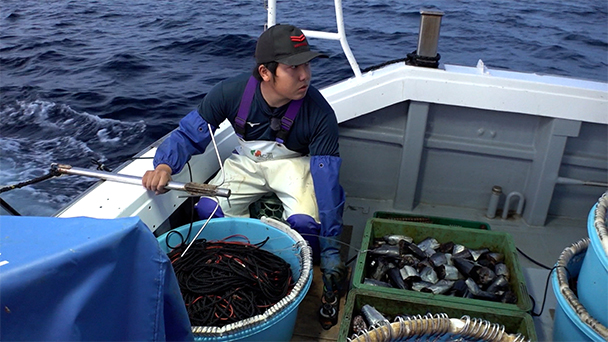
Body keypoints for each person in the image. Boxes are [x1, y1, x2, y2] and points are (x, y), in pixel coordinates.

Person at [142, 24, 346, 297]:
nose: (304, 76)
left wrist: (331, 247)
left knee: (308, 227)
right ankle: (245, 260)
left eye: (307, 65)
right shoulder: (229, 93)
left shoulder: (319, 112)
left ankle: (297, 263)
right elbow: (190, 134)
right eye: (293, 67)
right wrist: (165, 165)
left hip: (294, 166)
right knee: (209, 211)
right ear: (265, 72)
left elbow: (327, 179)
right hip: (247, 162)